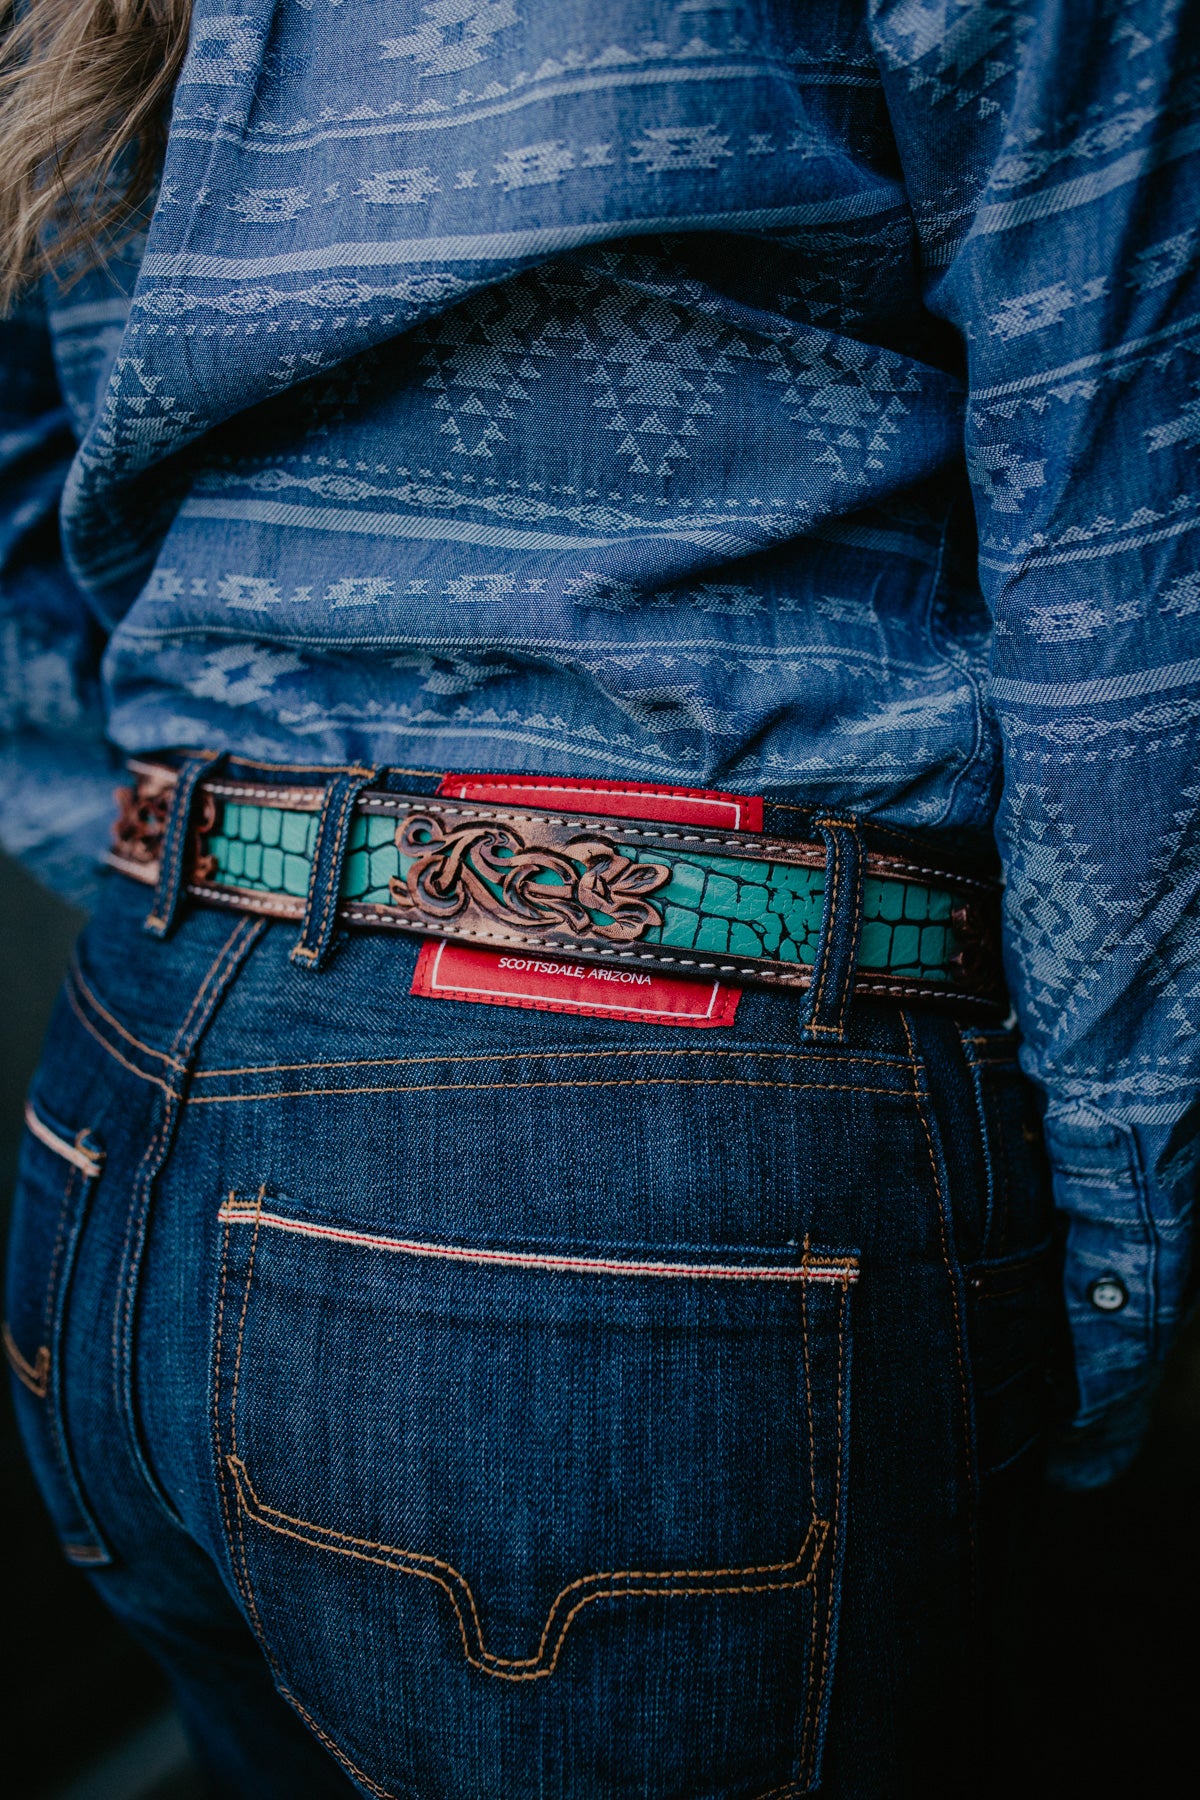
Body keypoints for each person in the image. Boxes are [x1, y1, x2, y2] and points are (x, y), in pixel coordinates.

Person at [1, 1, 1196, 1793]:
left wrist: (224, 868)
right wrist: (1125, 1255)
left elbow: (19, 500)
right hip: (627, 1187)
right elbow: (1122, 550)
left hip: (125, 1087)